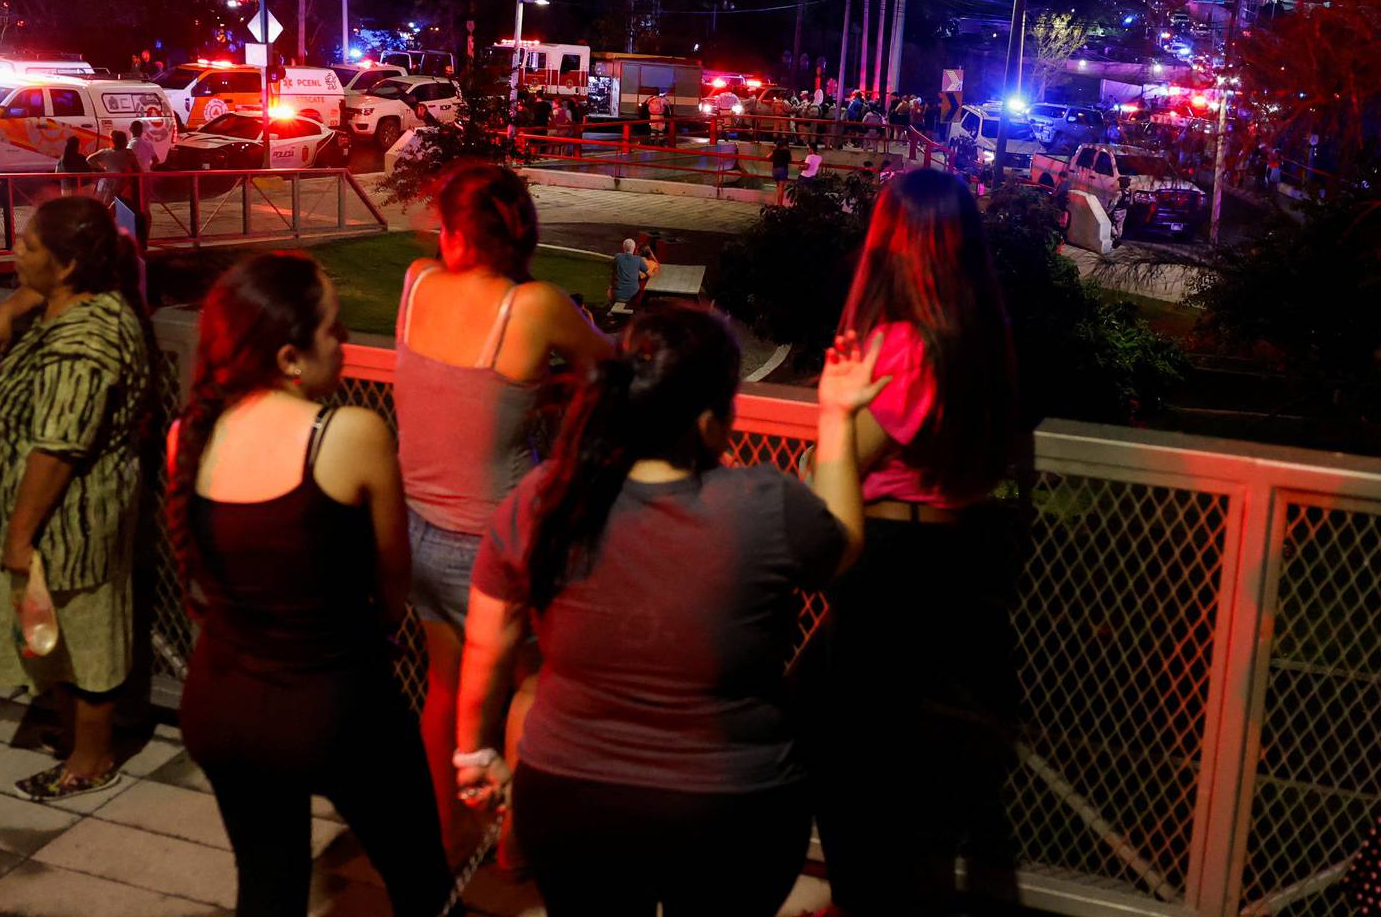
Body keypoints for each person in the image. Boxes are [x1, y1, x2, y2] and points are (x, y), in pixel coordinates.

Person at [453, 308, 886, 916]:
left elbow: (486, 645)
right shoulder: (762, 505)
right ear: (710, 421)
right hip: (732, 808)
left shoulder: (546, 496)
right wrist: (837, 415)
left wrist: (475, 755)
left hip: (570, 801)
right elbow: (842, 540)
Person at [170, 253, 452, 916]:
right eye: (337, 331)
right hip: (335, 706)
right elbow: (393, 578)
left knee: (268, 885)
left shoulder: (190, 432)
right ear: (292, 357)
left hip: (221, 706)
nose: (348, 345)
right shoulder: (348, 433)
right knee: (420, 878)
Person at [797, 167, 1023, 915]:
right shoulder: (980, 334)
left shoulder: (903, 345)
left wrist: (817, 446)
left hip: (888, 563)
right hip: (954, 555)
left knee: (851, 765)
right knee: (895, 763)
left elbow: (842, 460)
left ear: (893, 240)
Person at [395, 162, 613, 856]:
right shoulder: (536, 306)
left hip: (418, 525)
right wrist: (554, 388)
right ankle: (517, 841)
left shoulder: (415, 283)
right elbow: (611, 368)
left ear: (458, 234)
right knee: (533, 685)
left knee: (445, 686)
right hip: (497, 536)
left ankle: (446, 827)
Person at [0, 196, 151, 799]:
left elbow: (57, 448)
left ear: (68, 265)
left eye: (27, 246)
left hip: (70, 521)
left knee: (86, 638)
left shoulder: (85, 339)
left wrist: (19, 535)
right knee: (54, 634)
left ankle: (91, 757)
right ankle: (72, 733)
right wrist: (10, 304)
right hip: (55, 521)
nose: (15, 253)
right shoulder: (75, 303)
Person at [88, 129, 138, 208]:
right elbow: (138, 169)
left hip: (107, 187)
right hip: (123, 188)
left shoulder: (105, 152)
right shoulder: (129, 153)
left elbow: (89, 159)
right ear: (124, 142)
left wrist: (102, 170)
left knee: (106, 209)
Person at [609, 237, 656, 308]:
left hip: (617, 295)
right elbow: (650, 274)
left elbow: (612, 268)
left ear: (623, 247)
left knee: (609, 290)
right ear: (633, 248)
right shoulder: (638, 259)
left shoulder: (617, 257)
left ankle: (611, 308)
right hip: (634, 295)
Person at [771, 137, 793, 205]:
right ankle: (779, 205)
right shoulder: (787, 152)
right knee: (781, 189)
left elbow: (767, 157)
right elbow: (790, 161)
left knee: (778, 188)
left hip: (775, 170)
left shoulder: (775, 151)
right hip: (782, 170)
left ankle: (777, 203)